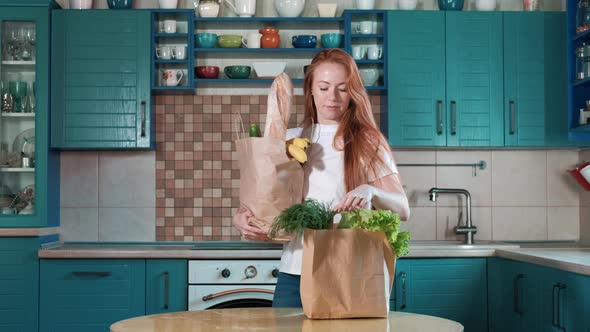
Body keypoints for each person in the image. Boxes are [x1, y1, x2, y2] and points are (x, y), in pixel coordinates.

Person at [232, 48, 410, 307]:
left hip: (348, 275)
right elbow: (264, 200)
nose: (332, 98)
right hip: (294, 275)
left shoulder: (368, 141)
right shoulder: (289, 139)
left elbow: (403, 208)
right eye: (324, 87)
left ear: (353, 92)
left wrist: (371, 192)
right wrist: (242, 218)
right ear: (311, 90)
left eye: (342, 88)